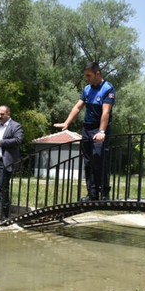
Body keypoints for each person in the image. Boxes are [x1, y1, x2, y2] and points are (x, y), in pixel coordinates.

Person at [54, 61, 116, 201]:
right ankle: (92, 193)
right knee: (88, 162)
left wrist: (101, 132)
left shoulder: (107, 89)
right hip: (87, 129)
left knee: (99, 160)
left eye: (89, 75)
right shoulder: (87, 89)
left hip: (99, 129)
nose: (87, 78)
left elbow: (105, 113)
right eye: (86, 76)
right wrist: (66, 123)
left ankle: (105, 193)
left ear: (97, 73)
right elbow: (78, 107)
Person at [0, 105, 23, 224]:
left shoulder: (15, 126)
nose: (0, 116)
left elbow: (18, 140)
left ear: (8, 114)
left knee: (3, 187)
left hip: (5, 162)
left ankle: (4, 215)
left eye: (2, 114)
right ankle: (1, 210)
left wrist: (1, 143)